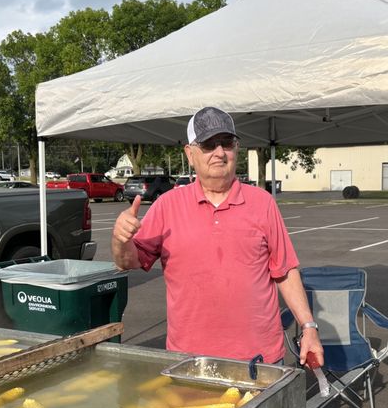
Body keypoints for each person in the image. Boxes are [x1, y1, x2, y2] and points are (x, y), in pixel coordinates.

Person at [112, 106, 323, 367]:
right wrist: (121, 239)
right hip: (190, 360)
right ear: (190, 154)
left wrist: (308, 326)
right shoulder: (167, 205)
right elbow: (127, 261)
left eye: (227, 143)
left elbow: (285, 271)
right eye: (209, 145)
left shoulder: (263, 203)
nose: (220, 152)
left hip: (259, 361)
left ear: (236, 149)